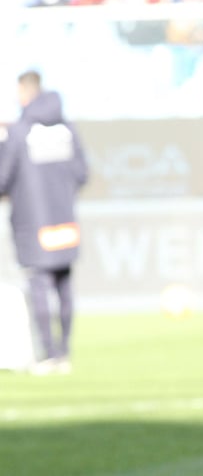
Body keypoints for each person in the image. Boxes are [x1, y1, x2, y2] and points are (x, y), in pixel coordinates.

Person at [0, 71, 89, 375]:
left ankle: (49, 355)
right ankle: (64, 353)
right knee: (64, 285)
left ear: (27, 92)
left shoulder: (20, 131)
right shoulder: (67, 129)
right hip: (64, 219)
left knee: (39, 284)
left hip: (33, 222)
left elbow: (3, 176)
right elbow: (82, 173)